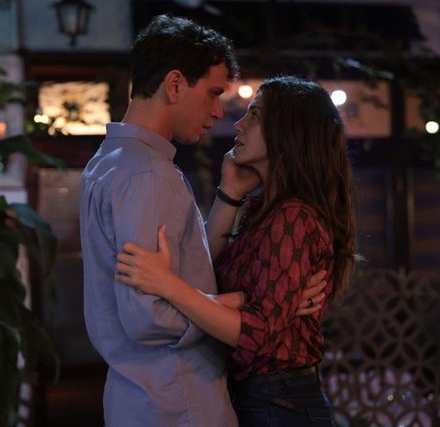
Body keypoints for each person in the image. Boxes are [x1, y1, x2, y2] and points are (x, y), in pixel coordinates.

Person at [80, 15, 326, 426]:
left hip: (145, 393)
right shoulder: (148, 175)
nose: (218, 113)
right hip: (178, 400)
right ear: (175, 84)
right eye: (213, 93)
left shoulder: (110, 162)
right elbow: (148, 317)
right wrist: (250, 304)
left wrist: (229, 195)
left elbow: (187, 274)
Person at [115, 76, 357, 426]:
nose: (238, 124)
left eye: (255, 115)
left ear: (288, 133)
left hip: (279, 403)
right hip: (265, 397)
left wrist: (166, 284)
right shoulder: (267, 210)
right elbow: (207, 274)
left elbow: (253, 333)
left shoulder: (293, 217)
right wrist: (230, 192)